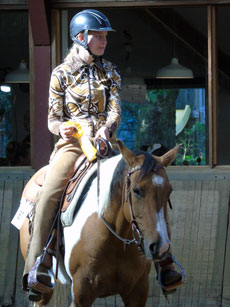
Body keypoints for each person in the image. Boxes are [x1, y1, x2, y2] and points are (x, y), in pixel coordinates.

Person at [22, 9, 121, 301]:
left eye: (105, 36)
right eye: (98, 36)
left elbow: (115, 109)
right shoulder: (60, 74)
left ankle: (163, 260)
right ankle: (37, 265)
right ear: (81, 37)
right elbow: (52, 119)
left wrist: (107, 129)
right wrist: (62, 128)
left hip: (105, 143)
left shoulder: (111, 71)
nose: (104, 41)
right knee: (49, 193)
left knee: (142, 180)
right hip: (73, 144)